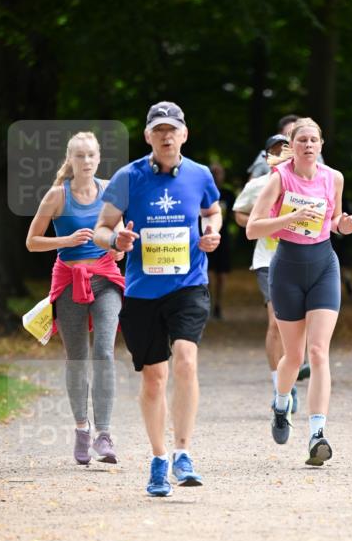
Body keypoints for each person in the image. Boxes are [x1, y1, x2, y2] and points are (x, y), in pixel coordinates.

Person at [93, 102, 221, 496]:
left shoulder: (199, 174)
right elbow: (100, 228)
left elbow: (213, 210)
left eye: (173, 129)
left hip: (188, 285)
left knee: (185, 359)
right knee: (154, 379)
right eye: (159, 130)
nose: (167, 136)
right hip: (143, 292)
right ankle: (159, 457)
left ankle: (184, 453)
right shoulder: (127, 177)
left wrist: (212, 232)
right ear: (148, 136)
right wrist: (117, 239)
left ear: (184, 134)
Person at [246, 117, 352, 465]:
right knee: (293, 356)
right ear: (291, 147)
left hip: (324, 265)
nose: (308, 145)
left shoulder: (334, 178)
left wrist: (344, 225)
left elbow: (335, 221)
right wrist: (288, 220)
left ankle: (317, 434)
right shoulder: (279, 178)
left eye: (314, 140)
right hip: (287, 269)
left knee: (318, 352)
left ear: (321, 145)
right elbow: (252, 228)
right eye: (302, 140)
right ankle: (281, 403)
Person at [26, 132, 124, 466]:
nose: (85, 162)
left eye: (91, 155)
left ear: (99, 158)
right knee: (77, 358)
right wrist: (65, 240)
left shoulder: (111, 190)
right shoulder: (56, 196)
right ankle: (82, 428)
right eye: (79, 156)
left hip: (106, 278)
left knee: (104, 353)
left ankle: (104, 435)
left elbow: (118, 242)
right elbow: (32, 241)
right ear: (70, 159)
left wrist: (119, 243)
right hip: (68, 280)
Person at [232, 133, 300, 412]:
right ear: (266, 156)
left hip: (298, 259)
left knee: (296, 325)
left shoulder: (303, 185)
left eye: (285, 149)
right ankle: (278, 384)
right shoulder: (259, 184)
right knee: (275, 322)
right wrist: (265, 222)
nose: (280, 154)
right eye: (275, 150)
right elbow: (238, 213)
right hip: (267, 260)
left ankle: (290, 375)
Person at [207, 163, 235, 320]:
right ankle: (209, 304)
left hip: (223, 239)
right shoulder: (203, 192)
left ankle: (218, 304)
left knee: (222, 275)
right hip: (206, 236)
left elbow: (234, 215)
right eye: (213, 172)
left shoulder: (228, 194)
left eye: (219, 172)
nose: (216, 175)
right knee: (209, 273)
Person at [247, 114, 300, 180]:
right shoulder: (264, 155)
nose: (292, 138)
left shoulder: (312, 155)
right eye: (288, 134)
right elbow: (252, 185)